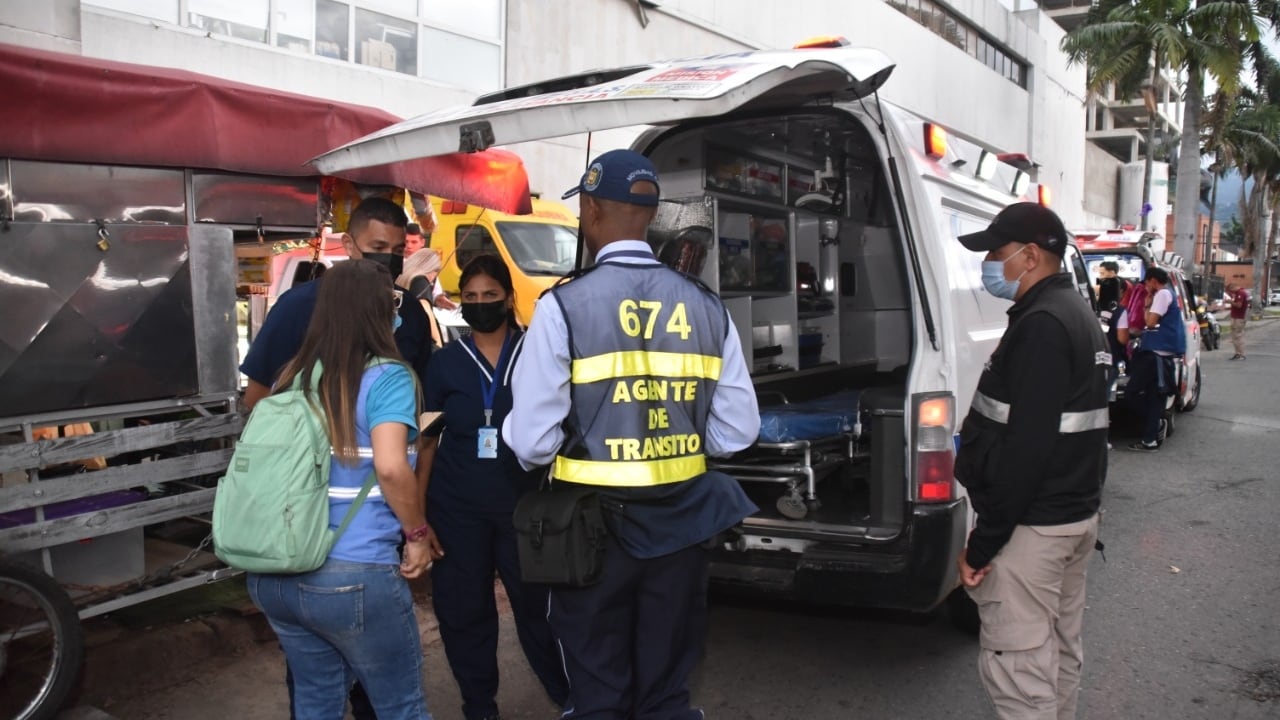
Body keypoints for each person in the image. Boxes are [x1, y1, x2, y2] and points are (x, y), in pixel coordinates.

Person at [503, 149, 760, 719]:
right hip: (682, 530)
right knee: (666, 693)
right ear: (650, 214)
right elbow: (738, 431)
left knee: (598, 693)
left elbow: (531, 443)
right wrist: (680, 442)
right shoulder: (706, 306)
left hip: (591, 540)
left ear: (591, 210)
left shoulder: (562, 306)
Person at [238, 196, 436, 720]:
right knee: (402, 705)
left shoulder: (291, 378)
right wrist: (416, 535)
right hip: (352, 571)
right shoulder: (387, 377)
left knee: (317, 701)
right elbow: (392, 466)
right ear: (379, 312)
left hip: (278, 571)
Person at [953, 202, 1109, 719]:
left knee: (1020, 671)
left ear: (1031, 255)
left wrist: (983, 544)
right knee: (1058, 657)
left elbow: (1028, 448)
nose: (990, 266)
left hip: (1033, 529)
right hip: (1071, 517)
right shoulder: (1074, 313)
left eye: (997, 254)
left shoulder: (1042, 324)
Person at [417, 254, 569, 720]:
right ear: (460, 303)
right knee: (464, 614)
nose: (481, 304)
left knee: (540, 611)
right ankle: (478, 707)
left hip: (525, 508)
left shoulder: (536, 354)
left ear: (508, 299)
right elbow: (426, 441)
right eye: (472, 297)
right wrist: (420, 516)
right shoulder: (443, 363)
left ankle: (572, 701)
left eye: (491, 296)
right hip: (455, 509)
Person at [241, 196, 434, 413]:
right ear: (349, 245)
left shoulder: (410, 312)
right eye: (378, 247)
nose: (388, 258)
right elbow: (257, 398)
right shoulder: (298, 306)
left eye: (398, 251)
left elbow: (421, 397)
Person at [1125, 267, 1186, 452]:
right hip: (1163, 355)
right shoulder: (1166, 295)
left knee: (1132, 393)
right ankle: (1150, 439)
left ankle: (1156, 420)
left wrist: (1149, 304)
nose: (1145, 286)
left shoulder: (1162, 294)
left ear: (1152, 280)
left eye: (1146, 283)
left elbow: (1150, 323)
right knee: (1154, 397)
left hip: (1154, 355)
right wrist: (1146, 305)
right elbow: (1149, 321)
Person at [1227, 282, 1250, 360]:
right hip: (1237, 317)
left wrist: (1230, 302)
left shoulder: (1240, 293)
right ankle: (1237, 353)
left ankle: (1240, 354)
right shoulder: (1240, 293)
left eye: (1231, 290)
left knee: (1238, 335)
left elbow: (1239, 305)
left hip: (1239, 317)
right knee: (1235, 335)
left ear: (1234, 287)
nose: (1231, 292)